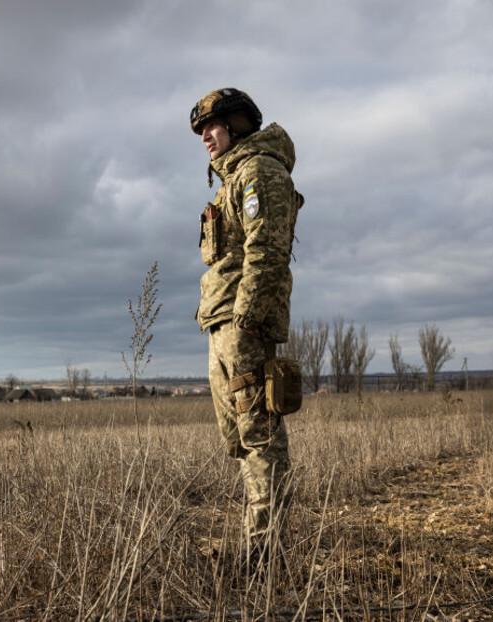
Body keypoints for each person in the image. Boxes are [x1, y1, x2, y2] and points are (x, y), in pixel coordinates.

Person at [190, 88, 303, 566]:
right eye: (201, 132)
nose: (205, 138)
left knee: (259, 435)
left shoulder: (259, 171)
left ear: (238, 124)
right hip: (222, 324)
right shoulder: (229, 180)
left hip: (243, 324)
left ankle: (266, 552)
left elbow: (267, 249)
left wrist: (246, 318)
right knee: (239, 439)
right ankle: (257, 539)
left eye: (211, 128)